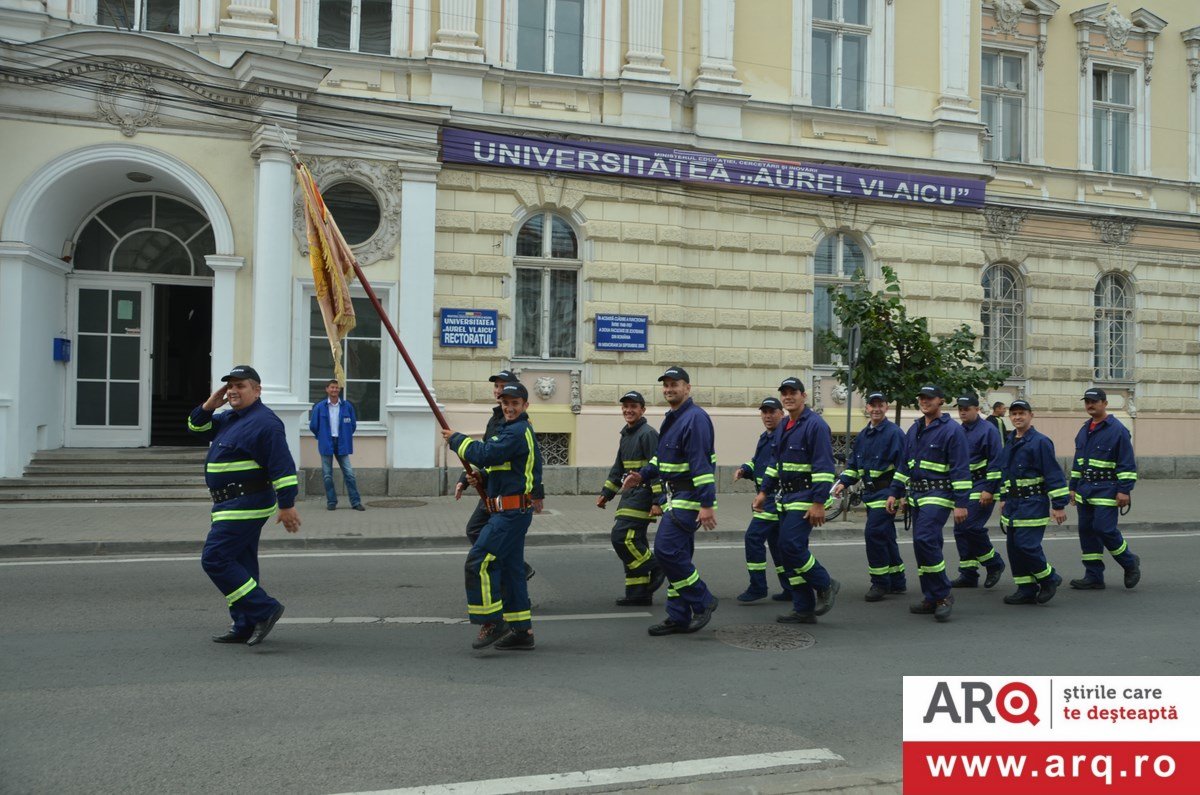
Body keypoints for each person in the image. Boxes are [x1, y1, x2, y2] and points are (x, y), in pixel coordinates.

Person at [188, 365, 300, 646]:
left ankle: (264, 608)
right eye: (230, 386)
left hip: (246, 503)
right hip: (228, 503)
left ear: (257, 390)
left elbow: (282, 466)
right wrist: (209, 406)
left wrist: (287, 505)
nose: (234, 391)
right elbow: (195, 427)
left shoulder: (266, 423)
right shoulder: (229, 417)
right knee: (240, 562)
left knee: (215, 559)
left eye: (241, 386)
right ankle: (245, 623)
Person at [443, 381, 544, 651]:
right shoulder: (510, 430)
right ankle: (523, 631)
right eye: (505, 403)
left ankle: (492, 620)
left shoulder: (517, 431)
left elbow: (486, 453)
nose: (509, 407)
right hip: (509, 510)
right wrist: (478, 477)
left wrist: (456, 439)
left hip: (511, 513)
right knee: (511, 572)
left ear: (525, 405)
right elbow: (501, 467)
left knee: (479, 560)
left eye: (515, 403)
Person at [623, 366, 720, 636]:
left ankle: (703, 600)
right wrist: (642, 475)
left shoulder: (695, 418)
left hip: (688, 497)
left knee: (665, 551)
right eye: (665, 385)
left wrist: (707, 504)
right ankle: (678, 616)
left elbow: (701, 465)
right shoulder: (672, 418)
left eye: (674, 384)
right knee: (678, 556)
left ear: (687, 388)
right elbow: (661, 459)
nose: (669, 389)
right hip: (673, 495)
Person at [754, 377, 840, 624]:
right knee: (788, 551)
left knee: (790, 546)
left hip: (805, 496)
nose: (788, 396)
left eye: (793, 392)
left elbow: (824, 468)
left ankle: (826, 583)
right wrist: (763, 492)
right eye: (785, 393)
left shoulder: (816, 425)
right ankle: (803, 608)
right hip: (785, 496)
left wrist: (818, 503)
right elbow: (775, 463)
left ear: (804, 396)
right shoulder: (784, 425)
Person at [887, 385, 970, 623]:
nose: (924, 401)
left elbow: (960, 468)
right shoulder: (915, 429)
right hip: (917, 496)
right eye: (921, 397)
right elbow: (905, 465)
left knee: (924, 539)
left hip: (939, 495)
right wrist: (895, 492)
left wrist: (961, 503)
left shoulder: (952, 431)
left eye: (929, 398)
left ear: (941, 401)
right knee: (923, 545)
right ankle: (931, 596)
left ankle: (943, 595)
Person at [980, 400, 1069, 605]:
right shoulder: (1010, 440)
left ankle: (1049, 578)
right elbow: (1005, 472)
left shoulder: (1040, 442)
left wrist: (1058, 505)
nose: (1017, 417)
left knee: (1026, 546)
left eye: (1022, 413)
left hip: (1033, 503)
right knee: (1014, 549)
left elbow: (1053, 474)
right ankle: (1026, 588)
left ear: (1031, 415)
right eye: (1014, 414)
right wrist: (1003, 497)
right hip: (1013, 504)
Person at [454, 369, 536, 580]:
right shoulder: (496, 418)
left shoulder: (517, 426)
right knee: (479, 531)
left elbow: (493, 454)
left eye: (503, 386)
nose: (499, 391)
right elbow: (486, 449)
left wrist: (456, 440)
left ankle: (506, 574)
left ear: (522, 402)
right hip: (493, 485)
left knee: (481, 542)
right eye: (497, 387)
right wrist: (469, 477)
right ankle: (514, 575)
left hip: (507, 493)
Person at [832, 391, 907, 602]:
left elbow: (903, 467)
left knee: (873, 534)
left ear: (886, 408)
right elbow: (854, 466)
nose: (876, 408)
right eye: (872, 405)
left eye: (880, 405)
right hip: (871, 494)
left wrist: (898, 495)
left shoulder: (894, 434)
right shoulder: (864, 435)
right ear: (867, 408)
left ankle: (880, 582)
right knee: (885, 536)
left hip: (887, 494)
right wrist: (842, 483)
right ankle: (897, 580)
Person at [1068, 388, 1141, 590]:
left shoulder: (1117, 430)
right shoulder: (1084, 430)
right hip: (1085, 490)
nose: (1090, 405)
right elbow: (1078, 462)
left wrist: (1124, 490)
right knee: (1087, 532)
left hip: (1108, 490)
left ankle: (1129, 562)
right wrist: (1072, 487)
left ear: (1105, 403)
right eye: (1087, 402)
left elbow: (1126, 463)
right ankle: (1093, 576)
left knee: (1104, 529)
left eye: (1095, 401)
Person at [597, 390, 665, 606]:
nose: (628, 410)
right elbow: (618, 468)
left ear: (642, 410)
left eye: (633, 406)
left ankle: (655, 566)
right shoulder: (626, 434)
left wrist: (657, 501)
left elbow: (658, 468)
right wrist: (606, 494)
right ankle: (639, 594)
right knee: (636, 540)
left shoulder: (648, 433)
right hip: (630, 494)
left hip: (644, 495)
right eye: (625, 407)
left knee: (621, 537)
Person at [734, 397, 793, 604]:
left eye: (772, 412)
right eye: (764, 412)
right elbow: (757, 461)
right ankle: (790, 587)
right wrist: (745, 469)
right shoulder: (765, 437)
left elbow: (777, 467)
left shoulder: (783, 436)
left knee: (753, 537)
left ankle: (758, 586)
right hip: (766, 497)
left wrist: (765, 493)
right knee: (777, 545)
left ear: (781, 414)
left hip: (774, 498)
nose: (767, 416)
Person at [949, 392, 1007, 589]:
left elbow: (996, 461)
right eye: (960, 409)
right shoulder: (958, 431)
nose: (963, 412)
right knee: (960, 530)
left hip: (982, 485)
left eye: (967, 409)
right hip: (963, 487)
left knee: (971, 527)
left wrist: (990, 490)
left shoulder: (988, 430)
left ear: (977, 409)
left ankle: (994, 563)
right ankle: (968, 573)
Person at [309, 379, 364, 511]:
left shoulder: (347, 406)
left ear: (339, 390)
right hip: (326, 443)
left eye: (336, 388)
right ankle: (331, 501)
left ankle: (355, 502)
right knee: (327, 475)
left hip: (342, 443)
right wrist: (321, 437)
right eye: (332, 387)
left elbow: (352, 425)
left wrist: (345, 435)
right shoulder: (320, 407)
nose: (334, 390)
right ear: (327, 389)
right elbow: (313, 426)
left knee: (349, 474)